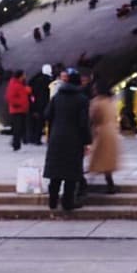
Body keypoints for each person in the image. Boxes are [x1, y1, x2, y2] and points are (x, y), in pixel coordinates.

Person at [44, 69, 91, 211]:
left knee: (56, 172)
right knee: (71, 173)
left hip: (56, 138)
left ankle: (52, 202)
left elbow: (47, 114)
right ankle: (67, 202)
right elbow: (83, 123)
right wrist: (87, 142)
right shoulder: (82, 99)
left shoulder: (57, 97)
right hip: (74, 139)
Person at [88, 81, 120, 193]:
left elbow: (92, 118)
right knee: (106, 161)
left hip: (101, 132)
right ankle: (109, 183)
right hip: (112, 132)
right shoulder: (110, 101)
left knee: (97, 159)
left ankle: (91, 184)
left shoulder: (97, 102)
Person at [5, 70, 31, 151]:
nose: (25, 76)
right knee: (17, 128)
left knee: (21, 127)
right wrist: (18, 104)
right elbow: (9, 97)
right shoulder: (14, 84)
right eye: (24, 75)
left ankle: (17, 143)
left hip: (22, 109)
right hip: (17, 110)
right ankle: (16, 145)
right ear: (20, 76)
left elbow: (23, 93)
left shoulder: (20, 84)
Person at [27, 65, 53, 145]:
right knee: (50, 122)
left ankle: (36, 139)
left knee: (39, 123)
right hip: (48, 103)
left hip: (39, 104)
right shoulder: (50, 81)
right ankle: (49, 139)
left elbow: (33, 93)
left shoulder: (37, 80)